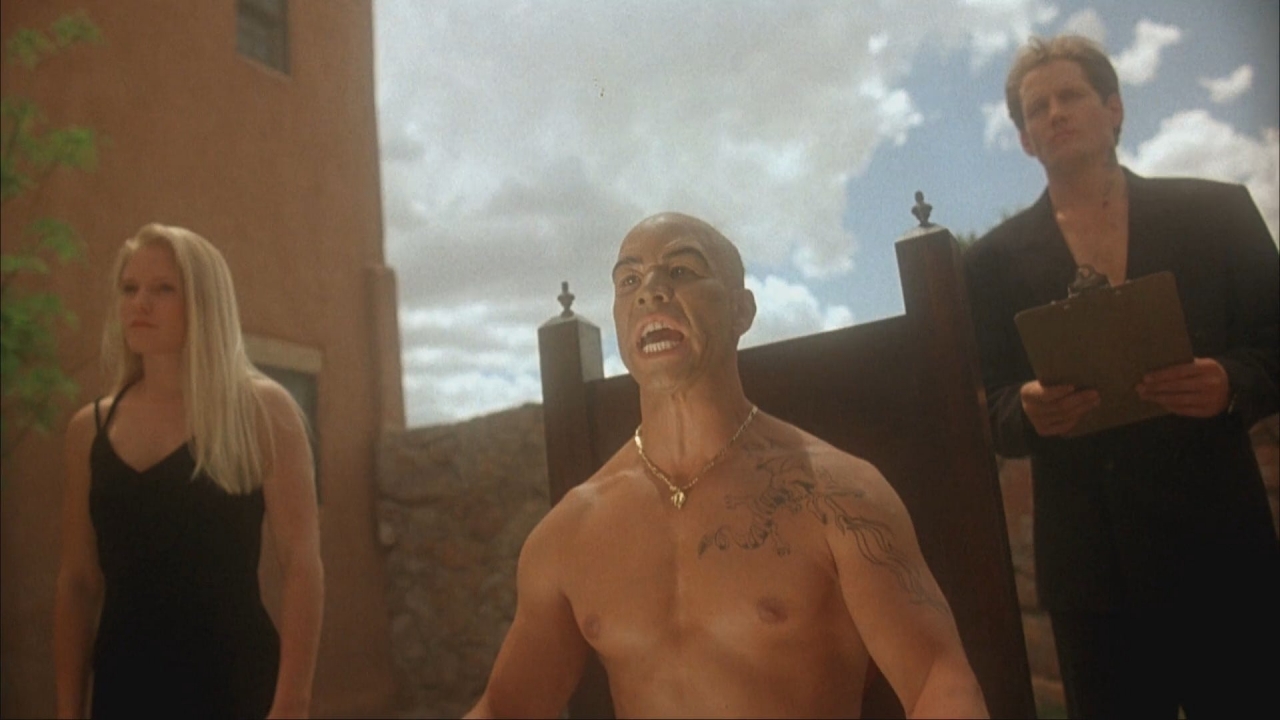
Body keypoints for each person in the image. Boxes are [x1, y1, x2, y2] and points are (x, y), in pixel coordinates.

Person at [466, 212, 988, 718]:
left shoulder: (837, 496)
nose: (650, 291)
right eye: (629, 280)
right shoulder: (570, 533)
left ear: (742, 310)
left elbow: (938, 682)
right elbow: (504, 709)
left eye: (681, 270)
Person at [964, 34, 1280, 718]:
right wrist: (1024, 411)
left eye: (1071, 95)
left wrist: (1233, 381)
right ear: (1023, 140)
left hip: (1223, 547)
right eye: (1037, 107)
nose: (1055, 113)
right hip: (1093, 575)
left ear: (1114, 109)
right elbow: (980, 402)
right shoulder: (988, 264)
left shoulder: (1218, 213)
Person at [53, 223, 325, 719]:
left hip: (238, 689)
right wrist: (67, 712)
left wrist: (292, 703)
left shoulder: (261, 411)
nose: (140, 303)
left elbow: (301, 563)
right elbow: (77, 581)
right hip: (123, 692)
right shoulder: (88, 430)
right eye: (129, 289)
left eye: (163, 289)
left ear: (204, 301)